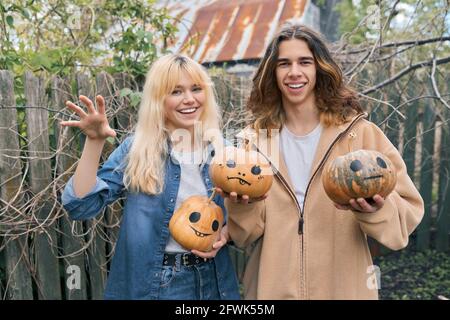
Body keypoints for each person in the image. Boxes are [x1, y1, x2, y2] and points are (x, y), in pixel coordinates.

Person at [216, 23, 424, 299]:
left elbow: (403, 223)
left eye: (305, 62)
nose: (294, 72)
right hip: (272, 288)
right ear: (272, 73)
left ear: (319, 68)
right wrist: (243, 207)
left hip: (344, 288)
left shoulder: (358, 135)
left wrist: (374, 210)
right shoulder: (254, 142)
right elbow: (245, 236)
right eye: (283, 64)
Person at [61, 54, 240, 300]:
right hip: (156, 286)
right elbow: (80, 206)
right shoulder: (138, 150)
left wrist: (227, 232)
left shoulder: (225, 152)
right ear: (159, 99)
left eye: (196, 89)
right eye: (176, 91)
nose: (189, 99)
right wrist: (95, 141)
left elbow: (248, 215)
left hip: (215, 282)